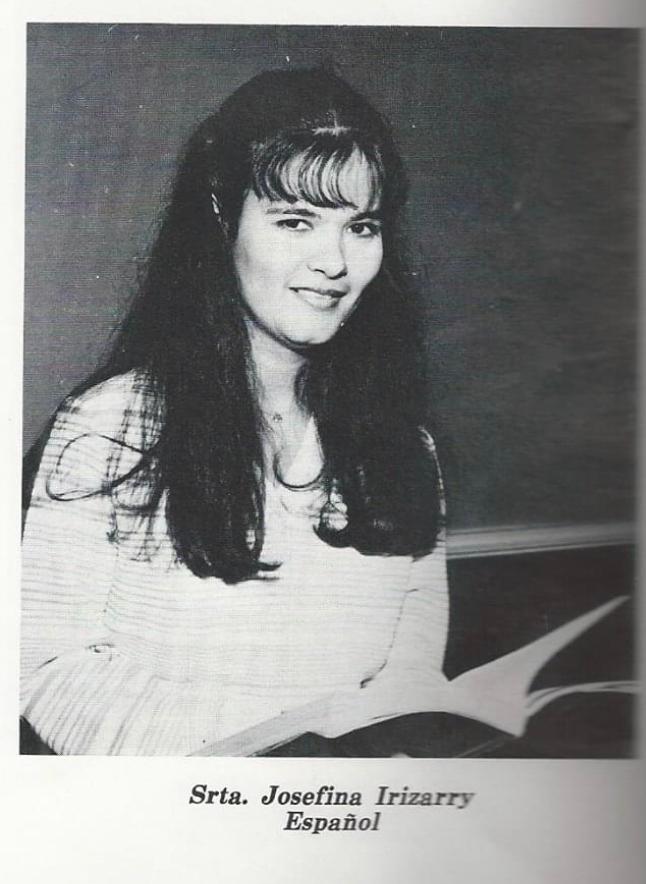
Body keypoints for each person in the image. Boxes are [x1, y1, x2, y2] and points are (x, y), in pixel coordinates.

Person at [21, 67, 448, 756]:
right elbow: (43, 669)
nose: (334, 261)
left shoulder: (406, 445)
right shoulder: (109, 425)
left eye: (361, 226)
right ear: (224, 219)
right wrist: (281, 753)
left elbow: (411, 662)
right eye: (295, 221)